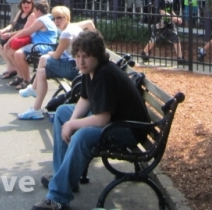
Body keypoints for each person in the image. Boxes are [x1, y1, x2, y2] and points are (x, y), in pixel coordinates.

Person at [34, 30, 150, 210]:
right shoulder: (90, 70)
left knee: (83, 136)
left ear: (97, 55)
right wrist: (70, 122)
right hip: (114, 122)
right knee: (63, 112)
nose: (81, 62)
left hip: (129, 129)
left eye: (86, 57)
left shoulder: (105, 74)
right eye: (78, 56)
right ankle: (62, 177)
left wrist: (73, 125)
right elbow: (85, 99)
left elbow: (102, 119)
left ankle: (58, 197)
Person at [18, 6, 96, 120]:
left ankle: (33, 89)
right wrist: (97, 40)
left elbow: (56, 55)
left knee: (43, 58)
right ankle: (36, 109)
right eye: (54, 18)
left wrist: (50, 53)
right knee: (41, 72)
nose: (56, 21)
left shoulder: (66, 33)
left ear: (67, 17)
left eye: (59, 18)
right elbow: (89, 23)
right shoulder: (74, 26)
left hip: (75, 69)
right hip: (75, 66)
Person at [8, 0, 59, 90]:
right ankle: (20, 76)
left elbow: (26, 32)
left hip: (42, 46)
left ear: (38, 11)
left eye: (34, 10)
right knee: (11, 52)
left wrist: (10, 39)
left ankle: (27, 80)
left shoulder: (41, 20)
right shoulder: (48, 17)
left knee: (18, 54)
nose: (34, 13)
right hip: (40, 45)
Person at [141, 0, 186, 65]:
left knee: (176, 38)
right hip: (161, 22)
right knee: (154, 39)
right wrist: (172, 17)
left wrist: (175, 17)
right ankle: (144, 53)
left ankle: (180, 58)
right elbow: (161, 11)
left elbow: (170, 10)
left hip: (169, 22)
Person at [0, 0, 36, 78]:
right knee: (0, 45)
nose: (26, 4)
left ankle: (19, 73)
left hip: (25, 38)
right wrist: (4, 30)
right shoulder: (20, 12)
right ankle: (11, 67)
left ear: (32, 4)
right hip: (17, 36)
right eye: (23, 2)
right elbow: (13, 24)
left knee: (7, 48)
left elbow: (24, 31)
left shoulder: (32, 15)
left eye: (28, 2)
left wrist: (9, 35)